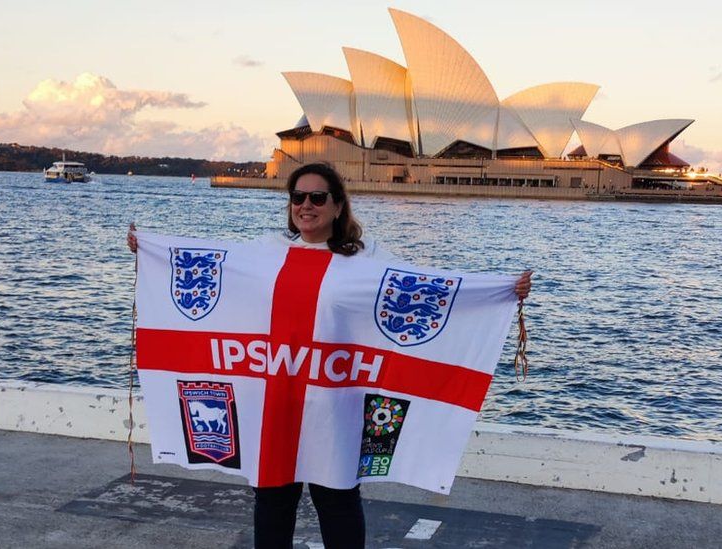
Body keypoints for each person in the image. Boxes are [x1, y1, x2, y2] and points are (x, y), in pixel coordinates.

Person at [127, 162, 532, 548]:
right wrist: (151, 252)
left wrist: (499, 291)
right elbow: (217, 271)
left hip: (335, 405)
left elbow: (428, 293)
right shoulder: (266, 255)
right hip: (276, 400)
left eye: (318, 197)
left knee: (336, 500)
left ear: (338, 205)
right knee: (271, 501)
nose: (306, 206)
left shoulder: (368, 260)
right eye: (298, 197)